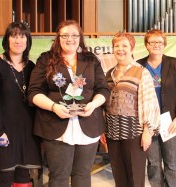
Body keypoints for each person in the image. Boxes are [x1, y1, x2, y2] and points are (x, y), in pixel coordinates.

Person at [28, 20, 110, 187]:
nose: (70, 39)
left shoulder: (90, 60)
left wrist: (93, 105)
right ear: (58, 38)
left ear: (80, 37)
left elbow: (103, 89)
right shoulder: (46, 59)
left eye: (74, 35)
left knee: (82, 173)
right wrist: (54, 107)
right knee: (59, 175)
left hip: (88, 124)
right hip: (55, 124)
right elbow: (34, 92)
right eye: (65, 35)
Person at [0, 21, 42, 187]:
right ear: (7, 40)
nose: (18, 41)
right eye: (14, 36)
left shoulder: (31, 67)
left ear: (27, 41)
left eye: (22, 36)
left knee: (24, 175)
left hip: (27, 130)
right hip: (4, 131)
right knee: (5, 176)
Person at [100, 32, 160, 187]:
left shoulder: (141, 72)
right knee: (119, 176)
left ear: (132, 48)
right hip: (113, 132)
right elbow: (104, 105)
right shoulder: (109, 74)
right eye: (117, 46)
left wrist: (147, 130)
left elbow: (149, 102)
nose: (120, 49)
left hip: (135, 133)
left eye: (124, 45)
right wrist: (103, 129)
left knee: (135, 177)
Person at [137, 29, 176, 187]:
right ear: (146, 45)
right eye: (152, 42)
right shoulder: (139, 65)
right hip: (149, 122)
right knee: (153, 163)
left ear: (164, 45)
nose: (156, 45)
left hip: (171, 121)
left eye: (159, 42)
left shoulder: (175, 63)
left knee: (172, 163)